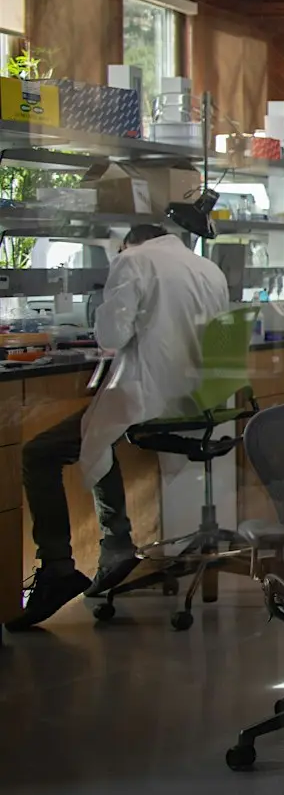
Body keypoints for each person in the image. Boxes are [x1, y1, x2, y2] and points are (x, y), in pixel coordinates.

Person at [11, 224, 231, 630]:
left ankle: (59, 566)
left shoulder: (133, 260)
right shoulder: (207, 268)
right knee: (100, 436)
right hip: (202, 400)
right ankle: (116, 543)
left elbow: (111, 336)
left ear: (129, 244)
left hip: (152, 398)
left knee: (40, 452)